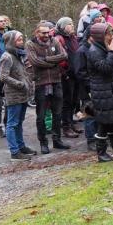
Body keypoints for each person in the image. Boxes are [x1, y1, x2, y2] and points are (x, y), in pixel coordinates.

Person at [86, 22, 113, 162]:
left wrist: (112, 50)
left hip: (111, 90)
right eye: (108, 34)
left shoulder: (106, 47)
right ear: (100, 35)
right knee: (104, 123)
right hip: (102, 92)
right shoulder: (94, 51)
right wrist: (111, 52)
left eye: (112, 33)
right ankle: (101, 153)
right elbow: (105, 69)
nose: (111, 36)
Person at [26, 22, 69, 154]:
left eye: (48, 32)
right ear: (36, 32)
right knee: (41, 116)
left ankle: (57, 140)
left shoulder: (55, 41)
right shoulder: (30, 44)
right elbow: (35, 61)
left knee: (57, 113)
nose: (46, 35)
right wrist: (53, 62)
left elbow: (64, 55)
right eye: (43, 32)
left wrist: (45, 59)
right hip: (41, 83)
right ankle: (43, 142)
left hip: (56, 81)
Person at [0, 30, 38, 161]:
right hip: (14, 95)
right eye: (18, 40)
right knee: (12, 124)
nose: (21, 42)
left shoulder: (19, 55)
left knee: (19, 122)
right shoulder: (7, 57)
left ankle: (21, 147)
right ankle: (14, 152)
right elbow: (3, 77)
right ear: (11, 42)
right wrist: (20, 84)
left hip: (23, 95)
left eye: (22, 39)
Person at [54, 17, 82, 139]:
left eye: (72, 23)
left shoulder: (73, 38)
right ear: (63, 26)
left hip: (74, 74)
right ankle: (66, 127)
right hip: (66, 75)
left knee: (74, 101)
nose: (72, 26)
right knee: (66, 101)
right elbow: (59, 59)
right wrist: (64, 73)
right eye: (69, 24)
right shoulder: (59, 39)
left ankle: (70, 123)